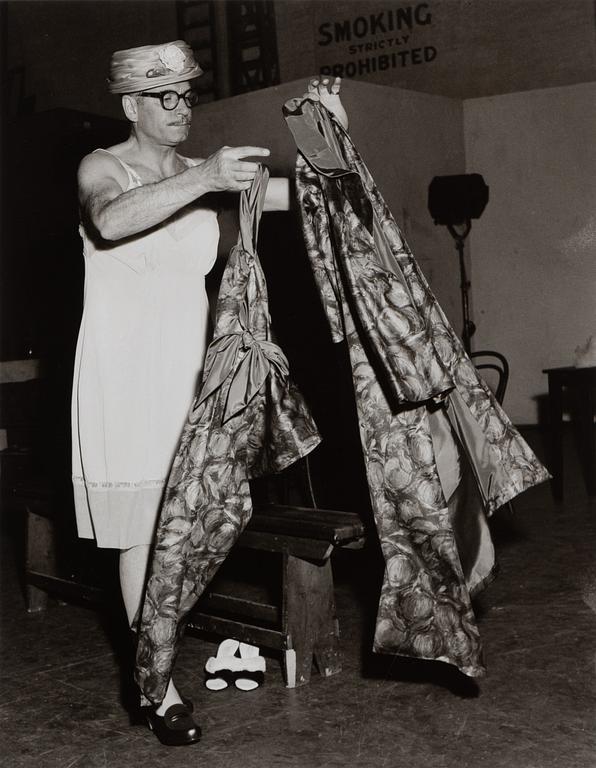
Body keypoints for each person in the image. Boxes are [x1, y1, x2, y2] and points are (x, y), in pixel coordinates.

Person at [71, 40, 347, 745]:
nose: (180, 107)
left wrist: (328, 131)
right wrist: (208, 179)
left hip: (194, 376)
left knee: (195, 521)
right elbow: (110, 220)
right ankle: (157, 690)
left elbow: (312, 195)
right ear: (130, 104)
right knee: (143, 534)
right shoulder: (103, 166)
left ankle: (155, 653)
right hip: (124, 376)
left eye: (187, 94)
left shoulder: (205, 172)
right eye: (164, 96)